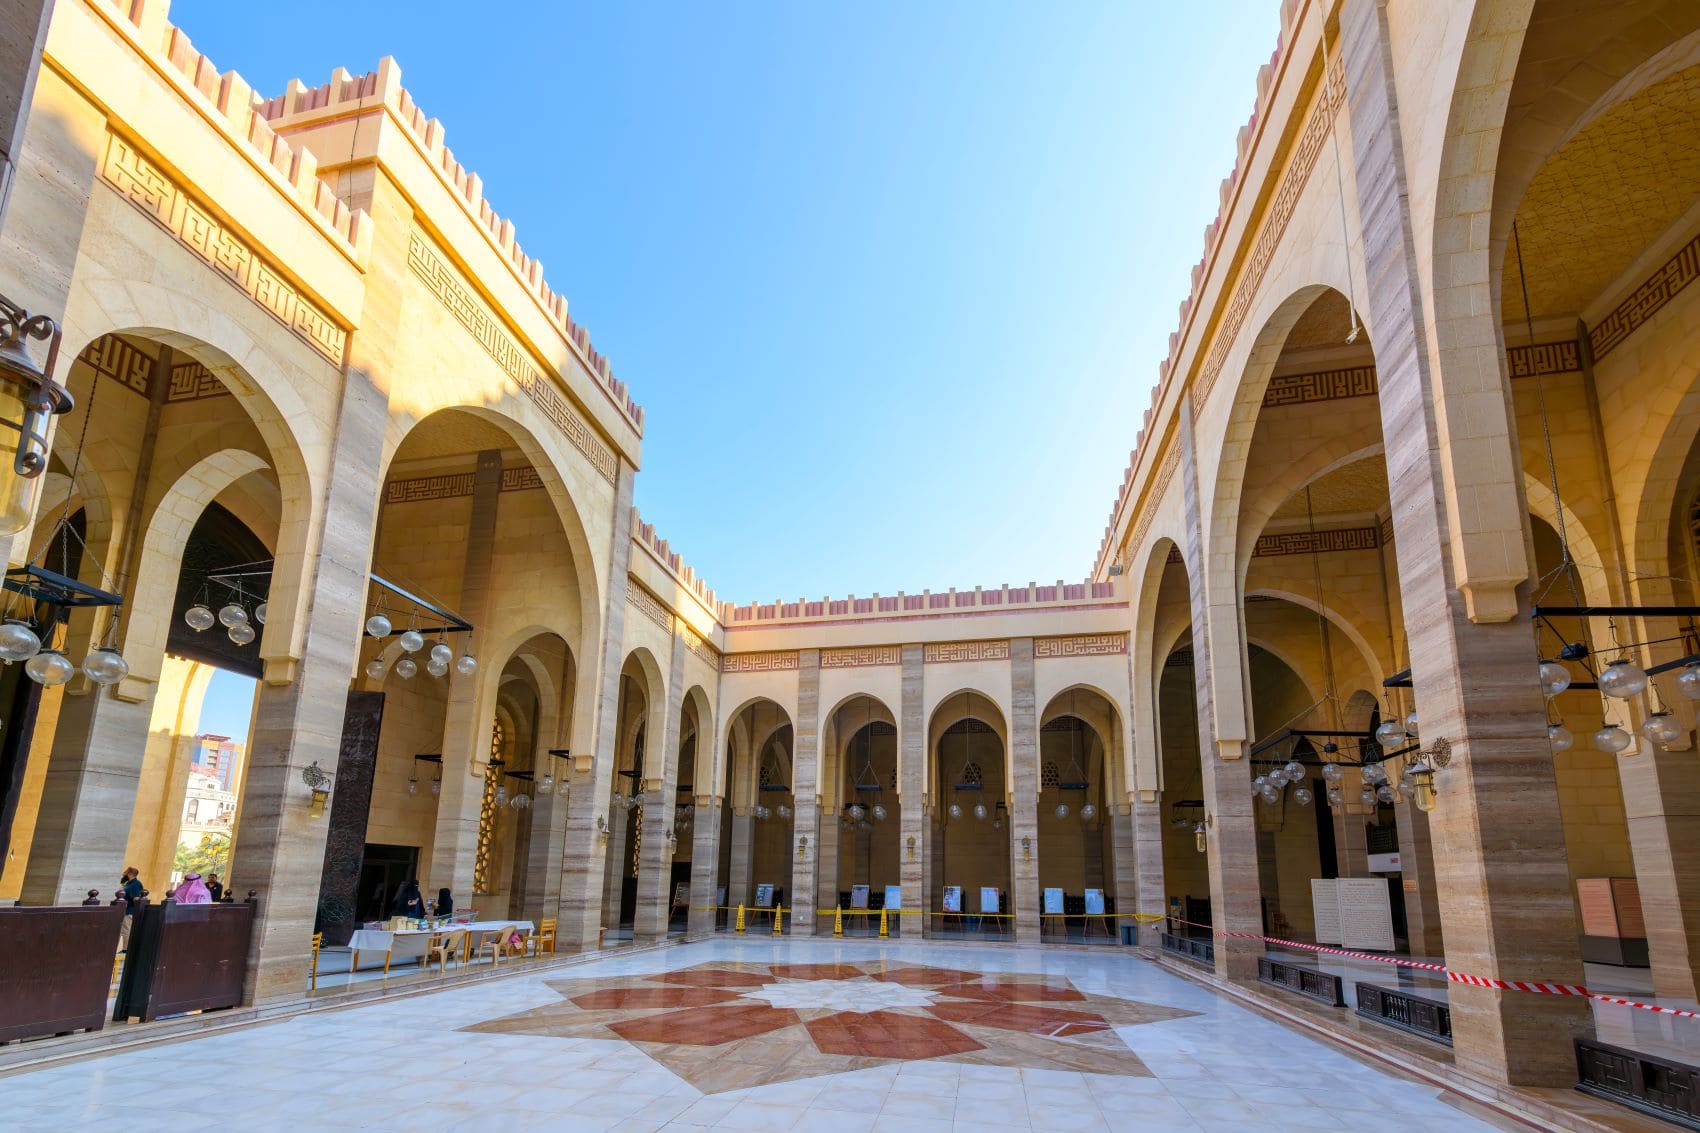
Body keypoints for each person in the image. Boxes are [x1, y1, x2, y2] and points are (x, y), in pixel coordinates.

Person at [118, 867, 143, 951]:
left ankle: (125, 949)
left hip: (129, 911)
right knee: (122, 930)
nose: (123, 874)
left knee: (126, 930)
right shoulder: (129, 883)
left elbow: (136, 898)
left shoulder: (135, 884)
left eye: (125, 872)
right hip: (124, 911)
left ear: (130, 874)